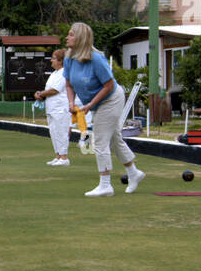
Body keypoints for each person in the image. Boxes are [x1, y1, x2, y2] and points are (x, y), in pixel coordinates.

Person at [63, 22, 145, 197]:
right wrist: (71, 104)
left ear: (81, 38)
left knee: (100, 141)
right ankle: (134, 173)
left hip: (111, 99)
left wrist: (90, 105)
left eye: (70, 34)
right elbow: (68, 84)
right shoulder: (69, 58)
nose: (67, 37)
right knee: (115, 140)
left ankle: (105, 185)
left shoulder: (96, 59)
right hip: (95, 102)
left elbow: (108, 86)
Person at [34, 48, 71, 165]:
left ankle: (64, 158)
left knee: (61, 132)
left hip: (61, 108)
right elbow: (48, 90)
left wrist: (41, 94)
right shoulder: (54, 74)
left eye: (54, 58)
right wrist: (40, 94)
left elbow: (55, 90)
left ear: (61, 60)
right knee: (54, 132)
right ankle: (58, 156)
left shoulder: (64, 72)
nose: (51, 61)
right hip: (51, 108)